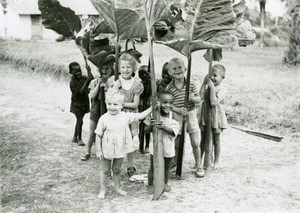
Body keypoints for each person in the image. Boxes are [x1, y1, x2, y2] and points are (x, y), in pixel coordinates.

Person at [95, 88, 152, 199]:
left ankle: (118, 187)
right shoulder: (103, 118)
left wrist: (152, 108)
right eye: (109, 104)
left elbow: (140, 116)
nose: (112, 107)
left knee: (116, 169)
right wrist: (98, 150)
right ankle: (103, 190)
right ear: (106, 103)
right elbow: (98, 134)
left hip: (120, 147)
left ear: (122, 105)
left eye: (115, 104)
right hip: (107, 147)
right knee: (105, 170)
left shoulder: (125, 116)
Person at [165, 57, 205, 178]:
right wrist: (177, 110)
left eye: (180, 68)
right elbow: (168, 105)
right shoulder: (169, 88)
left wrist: (193, 99)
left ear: (185, 69)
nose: (177, 71)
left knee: (195, 142)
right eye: (174, 68)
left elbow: (199, 99)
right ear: (170, 72)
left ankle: (199, 165)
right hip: (177, 117)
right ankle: (176, 164)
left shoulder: (191, 85)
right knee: (177, 143)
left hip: (190, 114)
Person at [113, 53, 144, 177]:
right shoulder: (116, 82)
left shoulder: (137, 84)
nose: (125, 70)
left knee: (130, 142)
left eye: (128, 68)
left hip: (130, 116)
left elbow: (135, 104)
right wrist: (115, 88)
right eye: (123, 68)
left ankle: (130, 165)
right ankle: (115, 166)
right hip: (118, 115)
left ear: (133, 69)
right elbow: (111, 99)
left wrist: (121, 103)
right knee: (117, 140)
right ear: (119, 68)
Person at [145, 91, 180, 193]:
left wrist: (164, 127)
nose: (167, 105)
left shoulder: (174, 116)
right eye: (164, 102)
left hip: (168, 145)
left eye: (170, 103)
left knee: (166, 166)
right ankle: (150, 184)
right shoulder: (153, 114)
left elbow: (174, 132)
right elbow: (146, 131)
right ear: (158, 102)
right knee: (153, 166)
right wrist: (151, 126)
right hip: (155, 145)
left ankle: (165, 183)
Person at [81, 59, 114, 161]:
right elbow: (92, 95)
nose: (104, 71)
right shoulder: (94, 81)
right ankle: (87, 152)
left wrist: (107, 87)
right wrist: (99, 84)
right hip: (95, 108)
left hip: (107, 110)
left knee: (107, 132)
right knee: (92, 132)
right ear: (99, 70)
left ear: (110, 70)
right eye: (102, 69)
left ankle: (106, 151)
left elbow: (113, 96)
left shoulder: (112, 81)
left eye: (107, 69)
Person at [198, 64, 228, 169]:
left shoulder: (222, 89)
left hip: (216, 117)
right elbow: (200, 96)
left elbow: (214, 102)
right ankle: (199, 161)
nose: (213, 78)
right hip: (205, 115)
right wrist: (203, 83)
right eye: (211, 75)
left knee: (216, 140)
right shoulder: (208, 85)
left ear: (222, 77)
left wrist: (211, 88)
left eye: (215, 75)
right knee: (202, 139)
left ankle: (216, 161)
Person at [69, 62, 93, 146]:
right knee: (80, 121)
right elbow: (81, 91)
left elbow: (91, 78)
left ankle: (75, 137)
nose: (78, 72)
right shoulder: (72, 83)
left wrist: (89, 71)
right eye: (75, 71)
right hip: (77, 104)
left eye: (79, 70)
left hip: (84, 103)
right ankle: (79, 139)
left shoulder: (83, 78)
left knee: (79, 121)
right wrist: (87, 82)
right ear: (71, 73)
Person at [138, 65, 151, 154]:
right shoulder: (140, 84)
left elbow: (149, 93)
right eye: (142, 74)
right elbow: (141, 95)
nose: (145, 76)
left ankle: (147, 145)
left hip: (148, 108)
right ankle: (140, 144)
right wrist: (143, 84)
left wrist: (149, 83)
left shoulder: (151, 83)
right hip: (141, 107)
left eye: (146, 74)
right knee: (140, 127)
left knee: (147, 127)